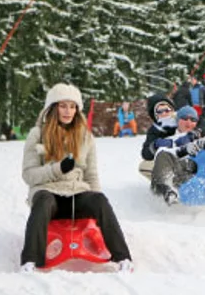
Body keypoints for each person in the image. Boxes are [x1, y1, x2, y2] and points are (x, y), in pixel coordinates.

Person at [20, 83, 133, 273]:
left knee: (99, 200)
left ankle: (122, 257)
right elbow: (29, 175)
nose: (68, 111)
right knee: (44, 201)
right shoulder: (37, 134)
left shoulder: (85, 136)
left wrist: (96, 202)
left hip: (76, 194)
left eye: (72, 106)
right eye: (63, 106)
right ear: (52, 108)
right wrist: (57, 169)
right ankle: (30, 261)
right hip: (48, 193)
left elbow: (91, 174)